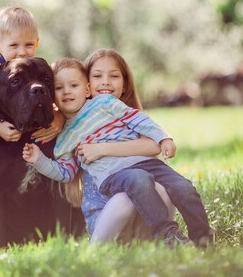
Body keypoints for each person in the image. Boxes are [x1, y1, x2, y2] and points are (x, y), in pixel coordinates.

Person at [23, 57, 214, 247]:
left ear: (87, 89)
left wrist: (163, 137)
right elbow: (65, 173)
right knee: (139, 178)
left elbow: (137, 119)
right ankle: (167, 234)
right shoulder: (65, 138)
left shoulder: (104, 103)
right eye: (59, 88)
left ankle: (203, 239)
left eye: (73, 85)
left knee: (183, 186)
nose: (67, 92)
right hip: (113, 175)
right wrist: (39, 159)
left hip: (148, 163)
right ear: (52, 96)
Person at [0, 6, 63, 249]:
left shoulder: (37, 66)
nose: (21, 52)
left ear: (36, 44)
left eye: (28, 46)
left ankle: (59, 238)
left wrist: (58, 119)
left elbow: (64, 91)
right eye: (13, 46)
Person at [78, 49, 175, 243]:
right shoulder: (79, 120)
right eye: (97, 76)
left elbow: (154, 145)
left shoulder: (131, 118)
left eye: (114, 76)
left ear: (125, 85)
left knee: (164, 189)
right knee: (124, 199)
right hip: (106, 216)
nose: (105, 81)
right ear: (86, 86)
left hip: (141, 216)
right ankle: (94, 252)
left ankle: (159, 241)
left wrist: (102, 149)